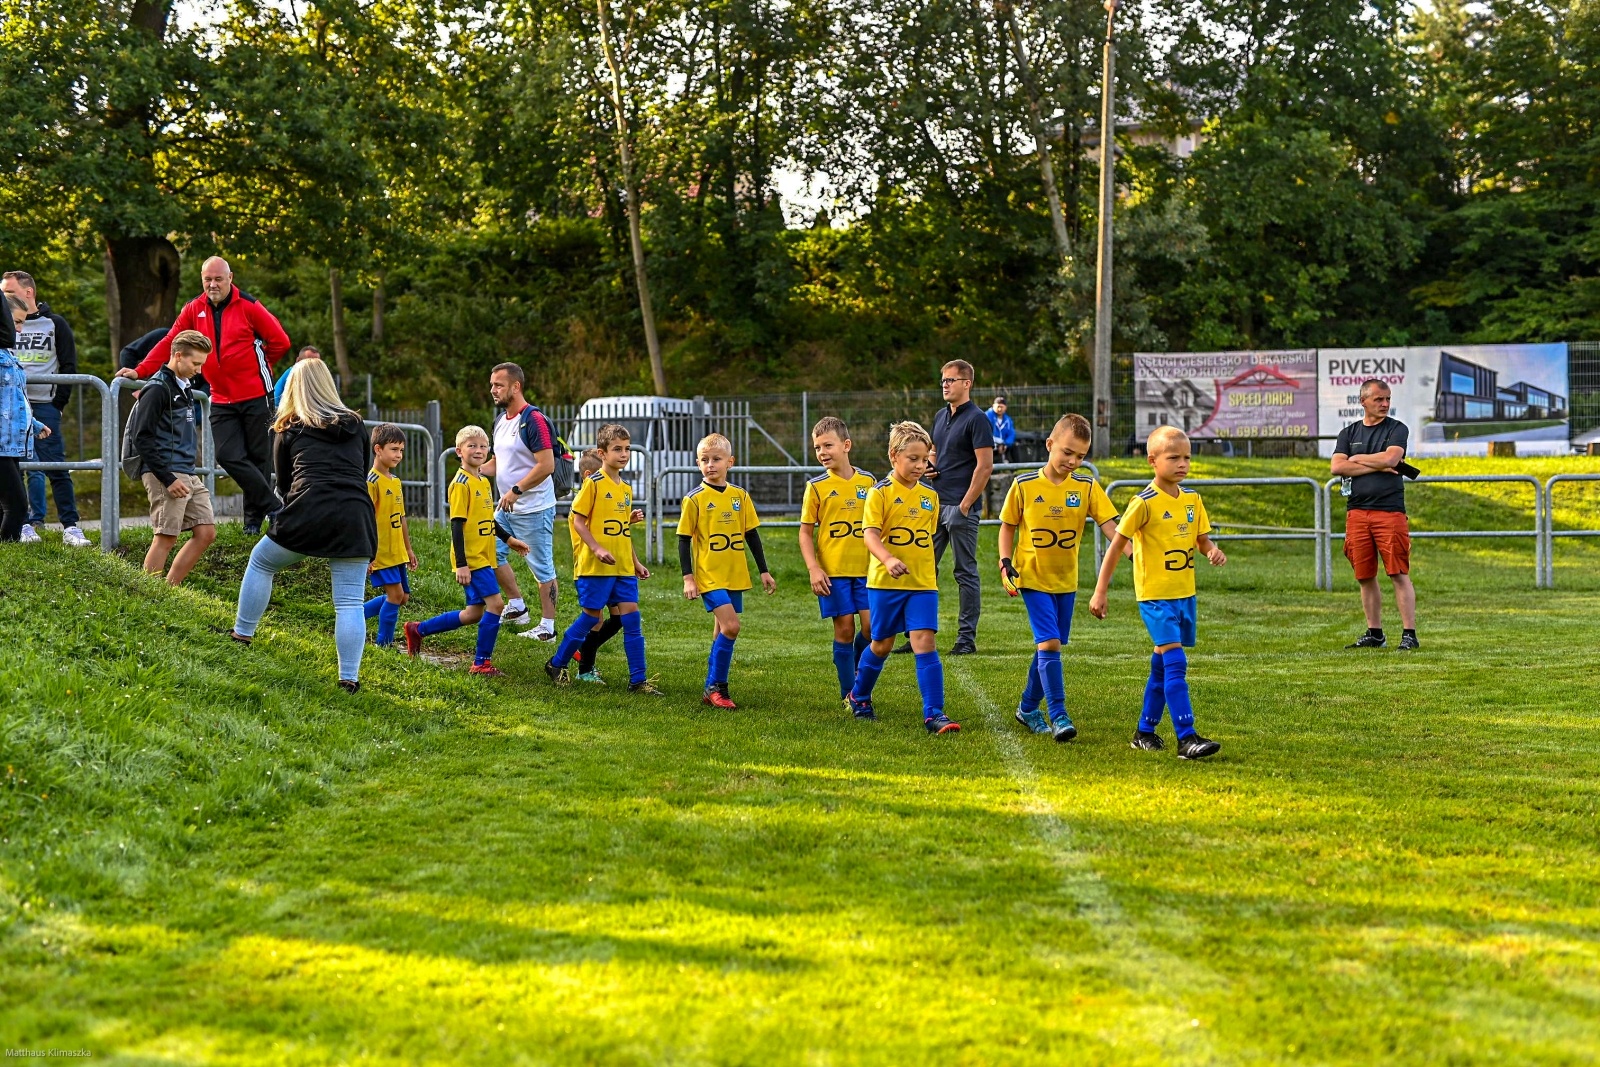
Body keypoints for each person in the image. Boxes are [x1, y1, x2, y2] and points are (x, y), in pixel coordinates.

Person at [230, 359, 377, 693]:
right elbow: (360, 468)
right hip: (355, 513)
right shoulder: (355, 424)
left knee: (262, 561)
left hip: (308, 507)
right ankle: (349, 679)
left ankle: (242, 634)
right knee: (349, 601)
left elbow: (283, 483)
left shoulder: (289, 427)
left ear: (294, 389)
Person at [121, 256, 291, 534]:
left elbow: (280, 341)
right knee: (227, 455)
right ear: (202, 280)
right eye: (208, 279)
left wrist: (261, 365)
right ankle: (273, 505)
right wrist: (140, 371)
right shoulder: (193, 308)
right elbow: (170, 342)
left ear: (230, 278)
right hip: (221, 396)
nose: (212, 284)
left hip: (256, 392)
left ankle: (253, 521)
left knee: (259, 457)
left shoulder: (249, 306)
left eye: (218, 279)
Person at [1088, 425, 1226, 760]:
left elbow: (1201, 539)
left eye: (1187, 457)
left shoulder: (1192, 500)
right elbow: (1116, 546)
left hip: (1184, 595)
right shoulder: (1143, 503)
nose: (1182, 463)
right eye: (1173, 457)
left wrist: (1211, 550)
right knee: (1176, 662)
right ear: (1152, 460)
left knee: (1162, 667)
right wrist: (1100, 591)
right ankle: (1186, 736)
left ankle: (1144, 732)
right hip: (1154, 596)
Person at [997, 413, 1119, 742]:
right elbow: (1008, 525)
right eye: (1067, 452)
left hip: (1067, 581)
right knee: (1049, 642)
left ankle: (1026, 708)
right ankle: (1059, 714)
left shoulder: (1086, 486)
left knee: (1049, 646)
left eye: (1080, 456)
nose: (1073, 461)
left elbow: (1111, 528)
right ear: (1050, 445)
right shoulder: (1024, 485)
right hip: (1032, 577)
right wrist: (1005, 561)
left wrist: (1136, 552)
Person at [845, 421, 961, 734]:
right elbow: (870, 536)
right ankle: (860, 695)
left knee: (925, 641)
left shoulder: (930, 497)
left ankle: (934, 714)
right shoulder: (879, 493)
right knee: (881, 644)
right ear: (894, 456)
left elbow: (928, 537)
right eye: (913, 459)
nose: (920, 465)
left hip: (922, 583)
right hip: (885, 584)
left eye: (925, 459)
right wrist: (888, 558)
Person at [403, 426, 529, 677]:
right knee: (496, 605)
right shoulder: (460, 484)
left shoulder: (482, 481)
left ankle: (417, 629)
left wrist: (508, 539)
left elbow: (485, 520)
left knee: (473, 613)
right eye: (472, 446)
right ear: (459, 451)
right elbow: (457, 525)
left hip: (484, 556)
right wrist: (462, 563)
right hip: (472, 559)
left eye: (483, 446)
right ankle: (481, 664)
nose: (478, 450)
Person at [543, 426, 657, 693]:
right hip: (595, 567)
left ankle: (638, 680)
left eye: (627, 448)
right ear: (603, 453)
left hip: (622, 567)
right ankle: (557, 663)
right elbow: (578, 521)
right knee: (590, 617)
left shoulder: (626, 489)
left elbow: (622, 531)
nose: (624, 454)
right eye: (617, 449)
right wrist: (595, 548)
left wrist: (636, 561)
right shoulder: (593, 484)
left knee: (631, 618)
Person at [677, 433, 775, 709]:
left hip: (735, 575)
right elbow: (684, 539)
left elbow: (751, 535)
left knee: (721, 630)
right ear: (698, 463)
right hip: (709, 576)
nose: (711, 465)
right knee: (731, 626)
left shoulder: (740, 496)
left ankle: (711, 685)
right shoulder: (694, 499)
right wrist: (688, 577)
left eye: (716, 459)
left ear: (730, 462)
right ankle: (717, 687)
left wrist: (764, 571)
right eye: (705, 460)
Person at [1331, 379, 1418, 650]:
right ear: (1363, 401)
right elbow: (1336, 467)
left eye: (1388, 399)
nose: (1385, 404)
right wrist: (1374, 465)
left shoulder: (1397, 428)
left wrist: (1356, 460)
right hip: (1357, 512)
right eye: (1379, 399)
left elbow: (1392, 460)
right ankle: (1375, 634)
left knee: (1398, 572)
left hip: (1389, 512)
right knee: (1364, 575)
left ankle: (1409, 635)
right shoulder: (1348, 432)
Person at [1, 271, 86, 547]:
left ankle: (70, 526)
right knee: (19, 474)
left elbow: (68, 364)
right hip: (10, 412)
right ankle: (23, 527)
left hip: (40, 406)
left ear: (28, 292)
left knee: (55, 465)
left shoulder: (54, 323)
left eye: (9, 292)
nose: (4, 298)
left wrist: (58, 404)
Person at [915, 360, 992, 655]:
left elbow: (984, 467)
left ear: (966, 384)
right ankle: (917, 636)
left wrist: (965, 506)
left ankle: (965, 640)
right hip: (936, 505)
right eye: (943, 380)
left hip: (961, 508)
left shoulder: (978, 419)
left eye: (951, 380)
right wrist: (929, 465)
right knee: (923, 569)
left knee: (965, 573)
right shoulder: (940, 415)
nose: (945, 385)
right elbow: (934, 450)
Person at [128, 329, 217, 584]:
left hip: (186, 470)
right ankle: (148, 595)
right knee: (166, 536)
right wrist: (167, 478)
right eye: (195, 363)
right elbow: (141, 436)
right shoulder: (157, 389)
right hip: (166, 472)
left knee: (206, 532)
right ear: (178, 356)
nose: (199, 370)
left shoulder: (185, 386)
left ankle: (169, 590)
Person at [798, 416, 875, 704]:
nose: (822, 453)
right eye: (817, 448)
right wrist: (813, 568)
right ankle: (850, 694)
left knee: (872, 629)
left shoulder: (868, 482)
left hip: (868, 571)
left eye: (827, 445)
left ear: (846, 445)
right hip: (834, 572)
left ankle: (856, 671)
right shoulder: (816, 486)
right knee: (844, 628)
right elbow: (805, 534)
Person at [483, 362, 559, 637]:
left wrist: (516, 490)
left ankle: (547, 628)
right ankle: (517, 606)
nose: (493, 390)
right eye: (492, 384)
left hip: (534, 508)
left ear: (516, 387)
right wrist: (473, 469)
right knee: (489, 552)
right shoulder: (500, 421)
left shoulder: (533, 419)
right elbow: (497, 462)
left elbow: (546, 465)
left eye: (498, 385)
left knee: (541, 568)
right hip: (506, 507)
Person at [566, 448, 626, 683]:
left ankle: (581, 650)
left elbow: (608, 523)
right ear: (590, 474)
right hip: (591, 567)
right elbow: (587, 525)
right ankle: (584, 668)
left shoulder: (606, 495)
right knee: (595, 619)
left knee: (619, 618)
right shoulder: (586, 499)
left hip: (612, 567)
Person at [1, 294, 51, 542]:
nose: (19, 329)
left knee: (10, 506)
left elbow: (14, 401)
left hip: (10, 445)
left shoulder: (9, 355)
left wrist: (35, 424)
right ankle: (8, 556)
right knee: (17, 506)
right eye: (16, 322)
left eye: (22, 323)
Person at [363, 424, 418, 648]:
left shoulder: (395, 481)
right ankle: (383, 645)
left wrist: (409, 549)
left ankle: (354, 614)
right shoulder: (371, 481)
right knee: (395, 596)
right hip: (381, 552)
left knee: (402, 597)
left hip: (397, 551)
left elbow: (401, 517)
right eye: (394, 449)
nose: (399, 455)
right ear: (378, 449)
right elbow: (365, 521)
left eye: (401, 450)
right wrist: (368, 554)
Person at [986, 395, 1015, 461]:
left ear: (1005, 408)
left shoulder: (1008, 420)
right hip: (989, 446)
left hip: (1003, 446)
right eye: (998, 406)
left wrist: (1005, 444)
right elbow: (985, 433)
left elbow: (1011, 434)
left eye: (1002, 407)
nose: (999, 409)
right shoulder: (986, 416)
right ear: (993, 406)